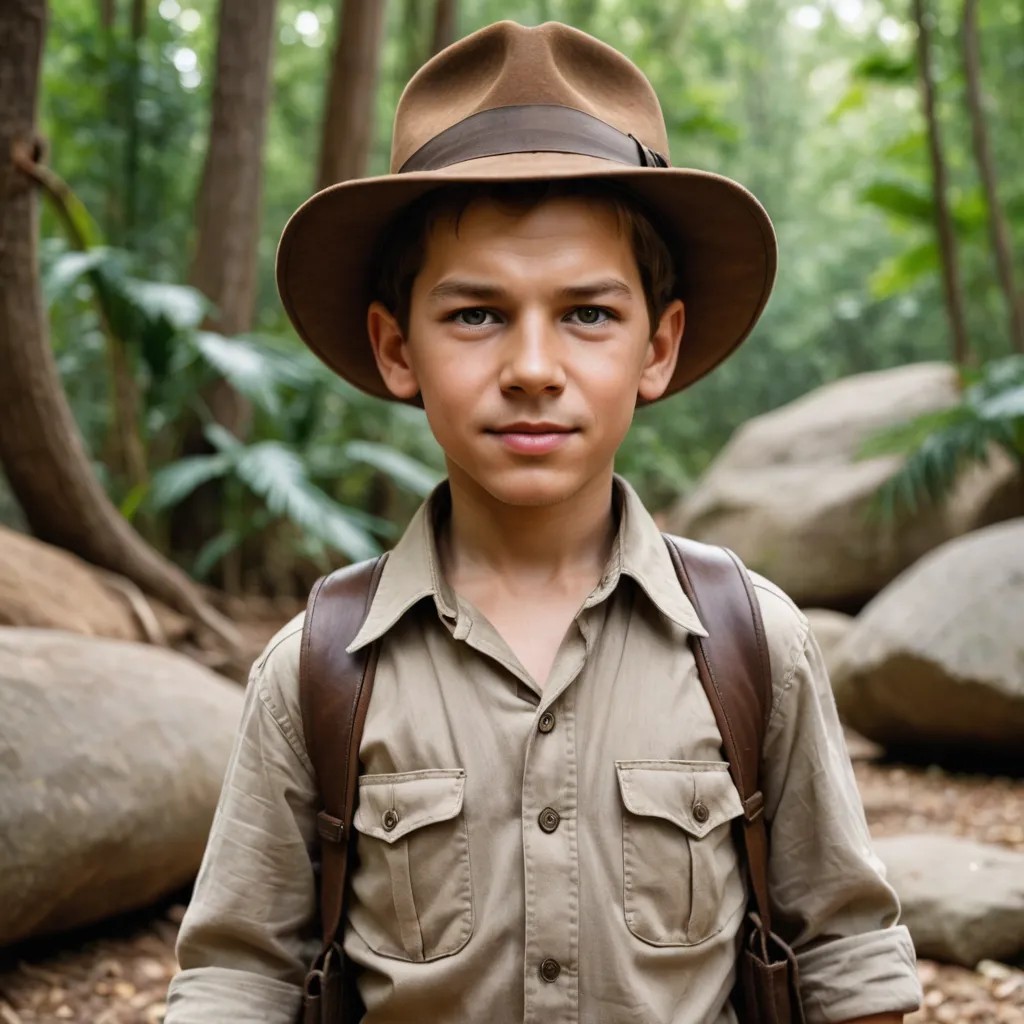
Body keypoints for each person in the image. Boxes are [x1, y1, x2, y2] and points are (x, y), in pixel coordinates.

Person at [165, 20, 922, 1024]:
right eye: (475, 314)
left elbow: (847, 958)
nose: (531, 368)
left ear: (658, 347)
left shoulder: (749, 647)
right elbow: (239, 976)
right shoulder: (321, 672)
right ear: (397, 349)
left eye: (588, 314)